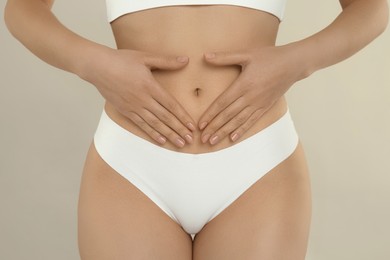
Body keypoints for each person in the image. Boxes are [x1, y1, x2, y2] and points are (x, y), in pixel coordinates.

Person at [4, 0, 388, 259]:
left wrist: (295, 63)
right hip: (132, 165)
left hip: (257, 163)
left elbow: (372, 8)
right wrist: (94, 65)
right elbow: (22, 9)